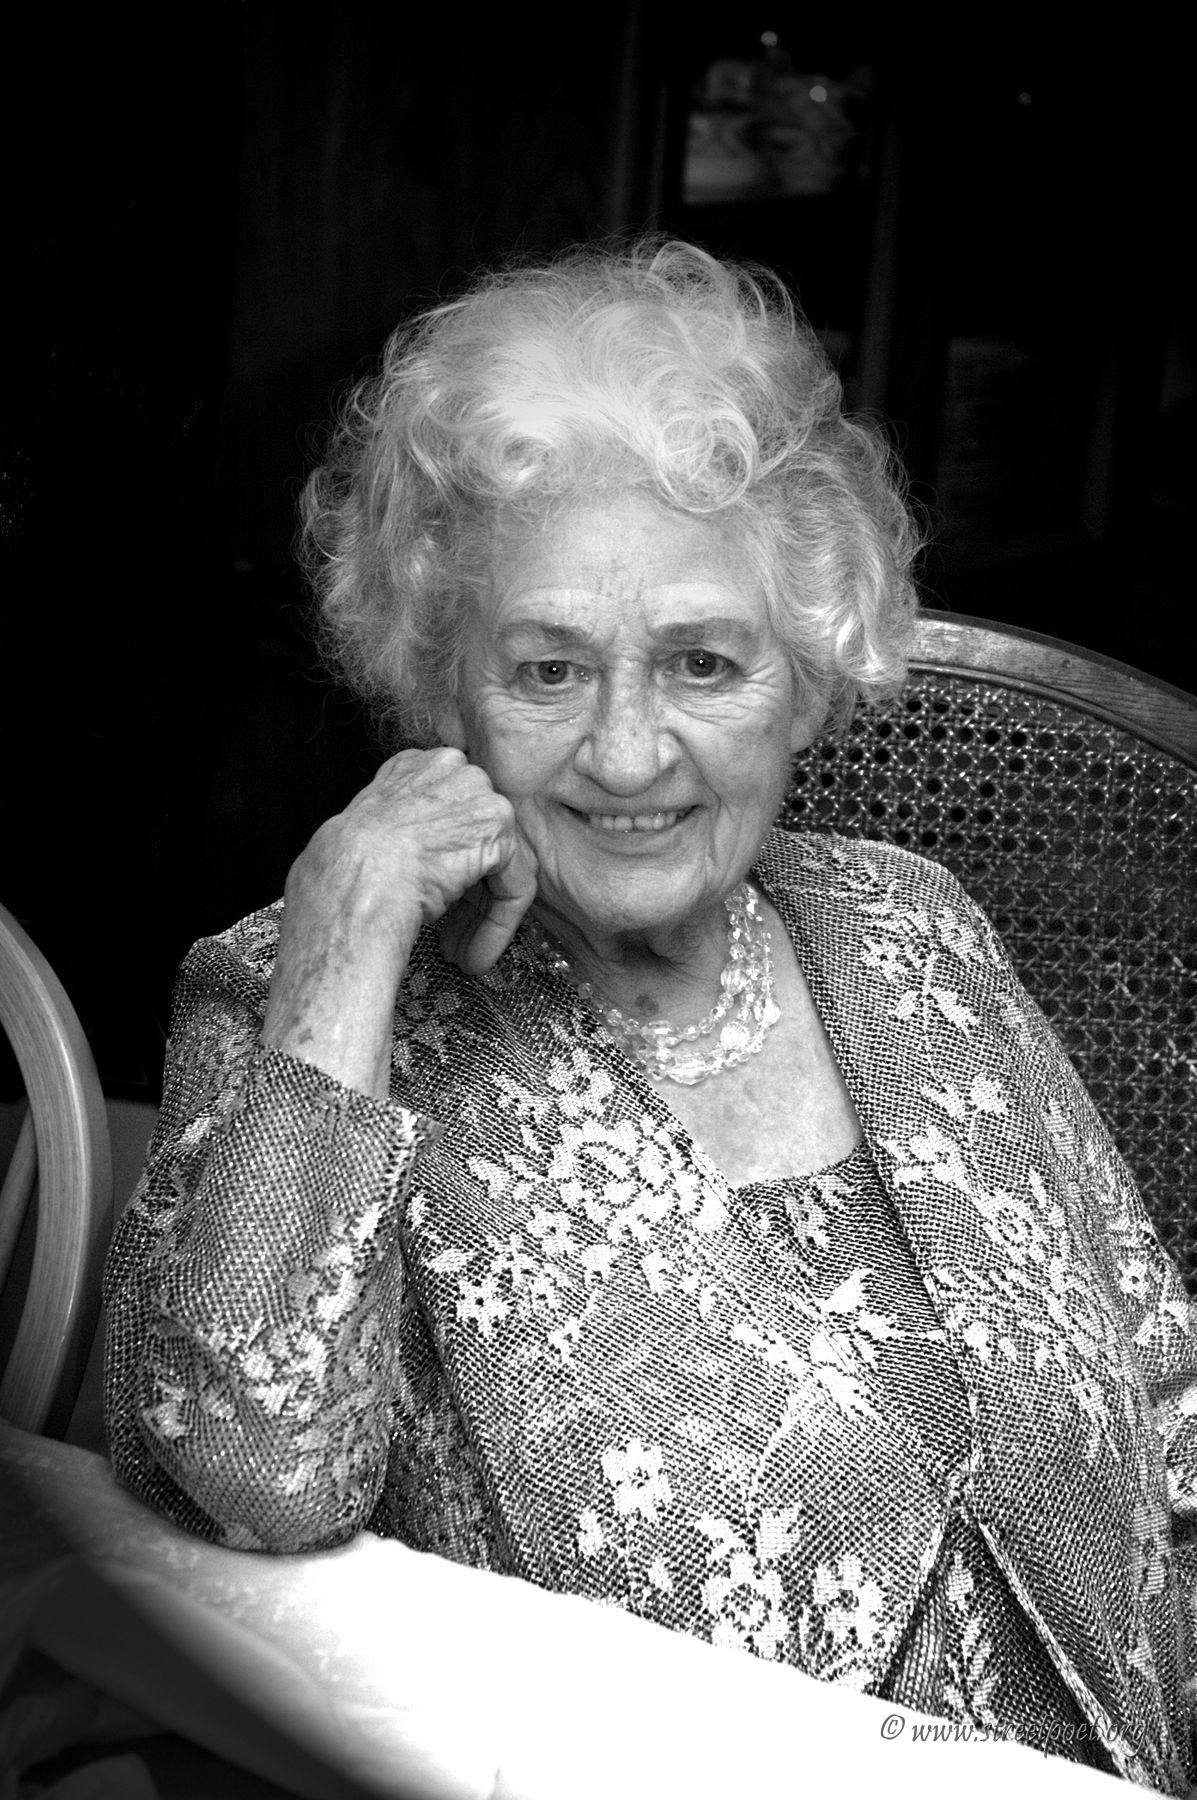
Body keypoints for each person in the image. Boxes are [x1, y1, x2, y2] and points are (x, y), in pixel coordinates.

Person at [103, 240, 1197, 1794]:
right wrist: (344, 935)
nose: (626, 754)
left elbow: (1161, 1394)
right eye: (547, 670)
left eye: (701, 662)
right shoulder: (310, 1001)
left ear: (803, 678)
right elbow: (243, 1484)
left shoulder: (908, 926)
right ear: (443, 693)